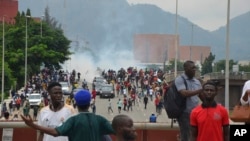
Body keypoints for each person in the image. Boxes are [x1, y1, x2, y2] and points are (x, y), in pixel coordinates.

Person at [21, 89, 115, 141]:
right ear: (90, 103)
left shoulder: (73, 120)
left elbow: (55, 132)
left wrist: (33, 125)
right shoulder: (100, 119)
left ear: (76, 104)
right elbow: (115, 131)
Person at [175, 60, 203, 141]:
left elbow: (202, 97)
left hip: (196, 113)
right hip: (185, 113)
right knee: (186, 136)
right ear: (185, 68)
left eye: (195, 68)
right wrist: (200, 90)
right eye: (192, 68)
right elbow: (184, 93)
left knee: (196, 135)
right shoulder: (180, 79)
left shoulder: (197, 81)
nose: (194, 70)